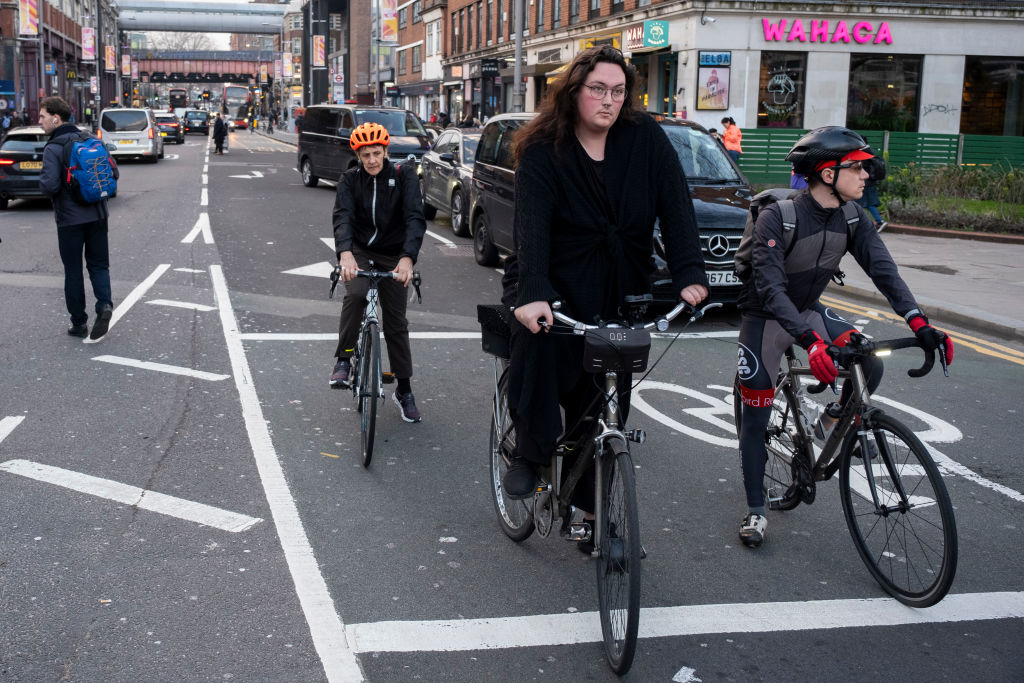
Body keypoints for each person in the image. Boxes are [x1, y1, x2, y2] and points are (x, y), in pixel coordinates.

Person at [499, 45, 709, 527]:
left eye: (618, 91)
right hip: (550, 273)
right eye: (597, 90)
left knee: (606, 392)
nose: (608, 101)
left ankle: (591, 499)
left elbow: (676, 206)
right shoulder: (542, 148)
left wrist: (690, 272)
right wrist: (533, 292)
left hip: (621, 281)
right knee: (539, 346)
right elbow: (531, 225)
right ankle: (528, 454)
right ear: (574, 92)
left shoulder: (645, 138)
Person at [734, 126, 955, 549]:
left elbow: (884, 271)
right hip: (765, 317)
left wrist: (919, 322)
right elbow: (770, 288)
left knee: (868, 361)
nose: (866, 175)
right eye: (857, 167)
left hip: (807, 310)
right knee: (757, 409)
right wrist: (810, 341)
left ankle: (830, 420)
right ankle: (757, 510)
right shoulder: (776, 217)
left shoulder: (854, 217)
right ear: (827, 173)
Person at [329, 122, 427, 423]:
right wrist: (345, 253)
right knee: (356, 295)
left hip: (394, 254)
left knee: (396, 323)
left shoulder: (404, 175)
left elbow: (414, 218)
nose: (371, 160)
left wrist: (408, 259)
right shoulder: (350, 179)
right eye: (365, 154)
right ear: (357, 155)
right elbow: (342, 216)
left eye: (376, 153)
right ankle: (344, 358)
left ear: (386, 151)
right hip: (359, 250)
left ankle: (404, 390)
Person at [37, 96, 119, 340]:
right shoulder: (92, 140)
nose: (39, 121)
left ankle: (79, 323)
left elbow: (49, 186)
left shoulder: (53, 148)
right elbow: (113, 172)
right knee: (99, 265)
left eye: (42, 116)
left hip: (70, 220)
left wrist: (43, 181)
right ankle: (104, 305)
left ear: (56, 118)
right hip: (98, 214)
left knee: (73, 271)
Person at [856, 160, 887, 232]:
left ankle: (879, 221)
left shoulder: (863, 155)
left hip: (866, 184)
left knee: (861, 203)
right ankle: (878, 221)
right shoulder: (870, 154)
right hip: (871, 183)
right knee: (868, 204)